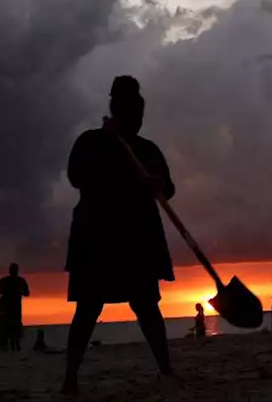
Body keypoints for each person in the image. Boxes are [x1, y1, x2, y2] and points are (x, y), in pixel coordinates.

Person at [61, 76, 176, 396]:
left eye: (141, 117)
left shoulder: (147, 149)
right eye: (132, 116)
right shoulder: (91, 142)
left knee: (147, 305)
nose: (138, 122)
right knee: (87, 307)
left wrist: (157, 183)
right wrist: (108, 149)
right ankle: (70, 376)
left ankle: (166, 369)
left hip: (138, 239)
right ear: (117, 112)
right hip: (96, 237)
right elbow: (75, 177)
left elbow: (168, 188)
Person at [0, 264, 30, 352]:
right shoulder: (19, 281)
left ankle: (14, 345)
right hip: (12, 308)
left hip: (11, 308)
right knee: (13, 327)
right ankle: (14, 346)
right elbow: (27, 293)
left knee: (11, 327)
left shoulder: (11, 280)